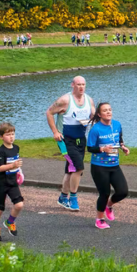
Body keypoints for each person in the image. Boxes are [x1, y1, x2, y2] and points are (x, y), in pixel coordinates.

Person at [45, 76, 93, 212]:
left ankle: (63, 197)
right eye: (78, 84)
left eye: (83, 84)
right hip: (65, 140)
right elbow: (49, 112)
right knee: (78, 168)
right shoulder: (65, 100)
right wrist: (55, 132)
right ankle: (73, 199)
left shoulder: (89, 100)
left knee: (71, 170)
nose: (81, 87)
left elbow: (93, 116)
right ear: (72, 85)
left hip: (80, 139)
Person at [86, 102, 129, 229]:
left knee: (123, 192)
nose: (108, 112)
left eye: (109, 110)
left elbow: (119, 139)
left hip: (114, 165)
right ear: (99, 114)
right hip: (99, 166)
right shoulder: (96, 129)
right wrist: (103, 149)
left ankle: (109, 205)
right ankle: (100, 219)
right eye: (105, 110)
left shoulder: (117, 124)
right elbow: (90, 148)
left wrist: (123, 147)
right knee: (104, 193)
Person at [0, 122, 25, 241]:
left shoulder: (16, 148)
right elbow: (0, 168)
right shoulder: (0, 152)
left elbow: (16, 165)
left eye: (13, 134)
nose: (11, 137)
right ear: (1, 137)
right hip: (1, 183)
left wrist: (19, 172)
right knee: (0, 208)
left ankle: (10, 222)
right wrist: (13, 165)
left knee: (19, 204)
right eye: (8, 134)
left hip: (12, 182)